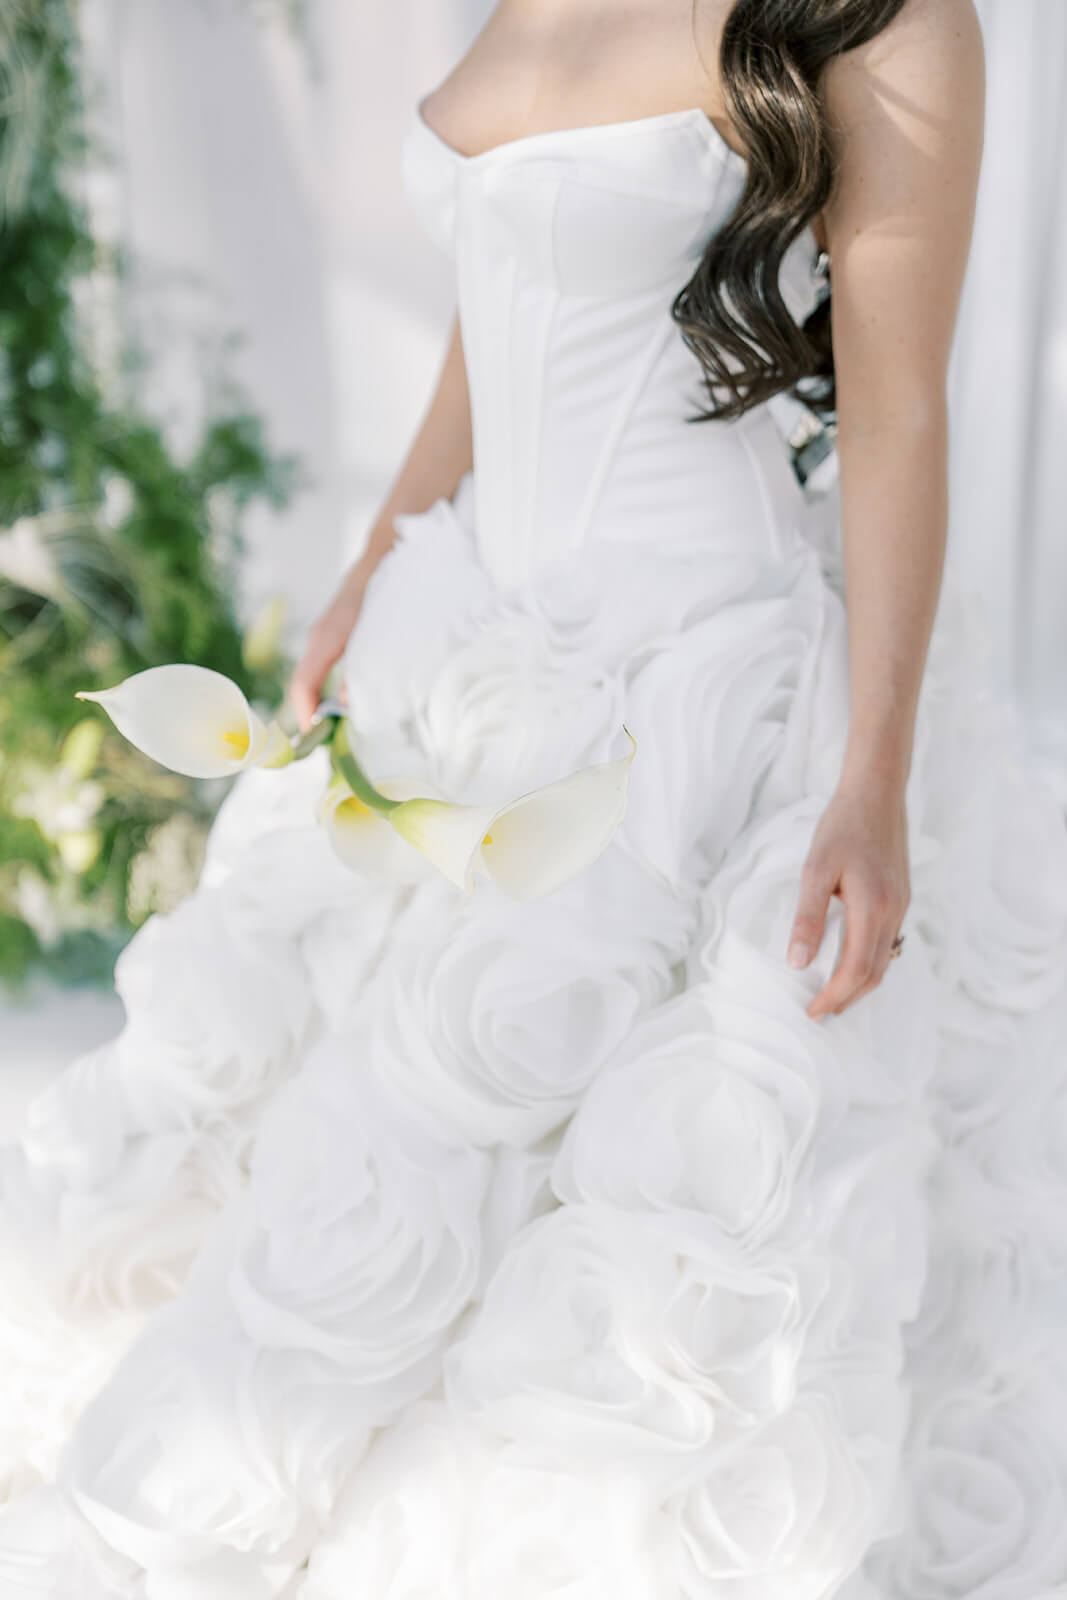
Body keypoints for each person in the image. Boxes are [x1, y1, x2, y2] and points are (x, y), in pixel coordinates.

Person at [2, 0, 1066, 1595]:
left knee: (610, 1148)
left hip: (695, 668)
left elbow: (899, 404)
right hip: (476, 646)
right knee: (349, 1102)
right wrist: (375, 557)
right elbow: (490, 311)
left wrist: (871, 776)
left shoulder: (888, 22)